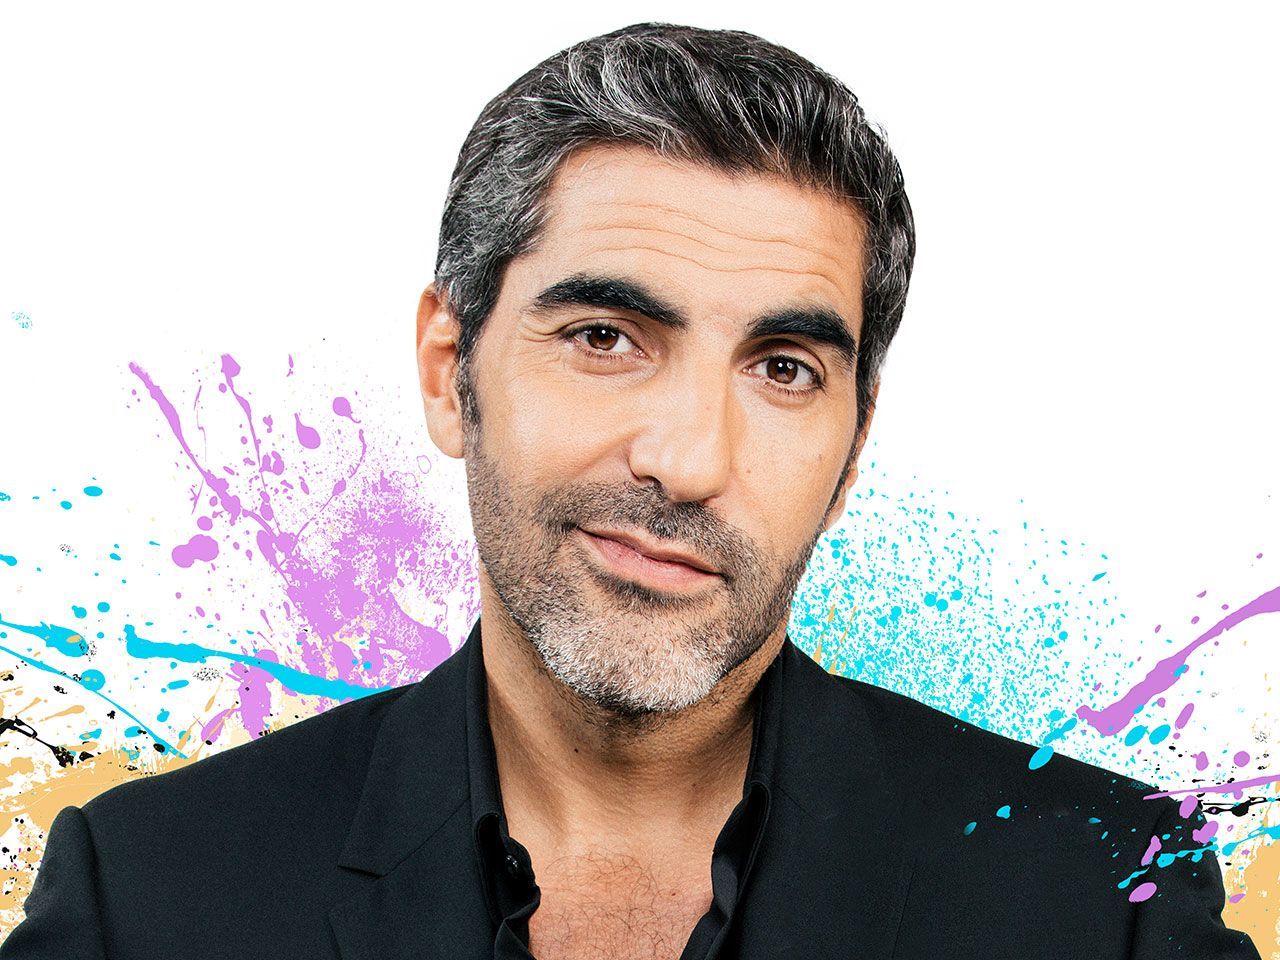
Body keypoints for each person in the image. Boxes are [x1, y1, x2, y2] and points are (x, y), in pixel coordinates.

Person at [1, 21, 1260, 960]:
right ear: (448, 372)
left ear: (851, 447)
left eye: (782, 368)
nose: (689, 461)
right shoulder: (145, 896)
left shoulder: (1105, 898)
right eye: (605, 337)